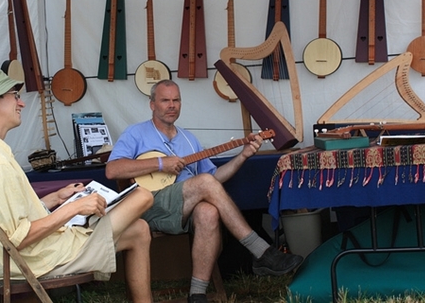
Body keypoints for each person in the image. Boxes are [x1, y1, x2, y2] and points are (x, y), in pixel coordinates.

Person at [0, 69, 154, 302]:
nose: (22, 103)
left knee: (139, 230)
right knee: (143, 195)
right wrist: (75, 207)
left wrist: (56, 198)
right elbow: (18, 238)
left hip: (34, 253)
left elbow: (8, 217)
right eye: (14, 95)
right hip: (39, 258)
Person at [106, 79, 303, 303]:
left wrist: (243, 155)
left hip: (183, 208)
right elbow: (112, 170)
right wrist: (161, 164)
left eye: (176, 100)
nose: (172, 105)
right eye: (165, 100)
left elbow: (214, 180)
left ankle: (197, 294)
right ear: (152, 104)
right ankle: (261, 252)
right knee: (204, 184)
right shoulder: (136, 133)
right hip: (151, 205)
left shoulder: (189, 139)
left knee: (208, 211)